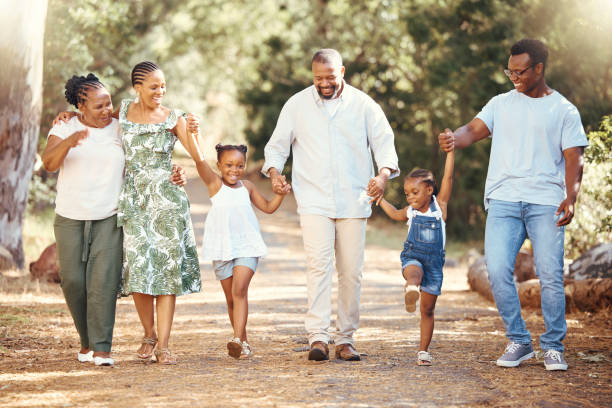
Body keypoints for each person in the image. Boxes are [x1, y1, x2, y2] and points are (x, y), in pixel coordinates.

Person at [438, 39, 588, 371]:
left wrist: (570, 197)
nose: (514, 77)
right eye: (510, 71)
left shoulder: (563, 110)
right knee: (496, 269)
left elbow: (574, 158)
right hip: (504, 199)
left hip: (546, 202)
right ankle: (519, 341)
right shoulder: (500, 104)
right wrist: (454, 138)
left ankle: (552, 346)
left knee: (550, 275)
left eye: (520, 71)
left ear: (539, 69)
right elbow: (472, 130)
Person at [263, 48, 399, 361]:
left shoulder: (363, 104)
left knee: (351, 272)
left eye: (330, 77)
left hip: (355, 198)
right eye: (318, 78)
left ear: (343, 72)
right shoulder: (297, 104)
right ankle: (318, 338)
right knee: (318, 267)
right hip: (313, 199)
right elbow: (277, 146)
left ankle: (346, 339)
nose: (324, 83)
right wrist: (274, 174)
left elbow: (384, 142)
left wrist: (382, 175)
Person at [42, 74, 185, 367]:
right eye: (98, 106)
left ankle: (103, 349)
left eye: (108, 103)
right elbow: (49, 163)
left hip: (109, 216)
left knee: (103, 283)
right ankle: (86, 341)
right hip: (70, 216)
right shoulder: (65, 125)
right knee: (73, 282)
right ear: (80, 106)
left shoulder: (122, 127)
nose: (106, 110)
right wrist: (70, 140)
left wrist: (179, 155)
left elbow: (151, 133)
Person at [117, 61, 205, 365]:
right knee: (139, 270)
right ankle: (149, 333)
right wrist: (71, 116)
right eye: (154, 86)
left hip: (167, 203)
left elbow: (198, 156)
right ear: (137, 87)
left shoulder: (173, 117)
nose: (161, 91)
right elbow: (95, 121)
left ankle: (164, 345)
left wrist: (194, 132)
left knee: (166, 274)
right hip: (134, 202)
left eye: (163, 86)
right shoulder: (123, 112)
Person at [193, 141, 291, 359]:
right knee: (231, 300)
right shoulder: (214, 185)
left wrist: (281, 194)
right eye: (228, 165)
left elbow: (267, 207)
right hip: (222, 249)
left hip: (247, 245)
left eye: (239, 166)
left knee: (239, 291)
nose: (234, 170)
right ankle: (243, 343)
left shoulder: (247, 187)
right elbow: (199, 160)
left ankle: (237, 339)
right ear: (218, 165)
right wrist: (192, 134)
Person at [377, 149, 454, 366]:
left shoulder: (440, 207)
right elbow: (393, 213)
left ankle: (423, 351)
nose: (410, 197)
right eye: (407, 193)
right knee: (414, 272)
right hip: (413, 257)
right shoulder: (410, 212)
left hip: (435, 266)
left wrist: (450, 152)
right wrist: (380, 199)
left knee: (427, 310)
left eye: (415, 192)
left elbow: (448, 177)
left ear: (429, 189)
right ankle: (411, 288)